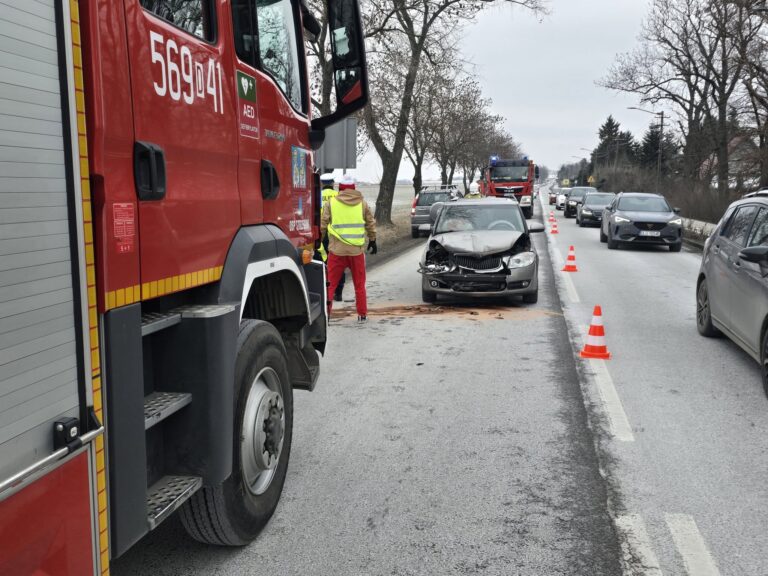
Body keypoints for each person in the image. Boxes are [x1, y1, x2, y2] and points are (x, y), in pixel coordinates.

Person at [321, 175, 377, 322]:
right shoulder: (362, 203)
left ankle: (326, 314)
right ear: (353, 188)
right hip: (356, 252)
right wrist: (372, 239)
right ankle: (362, 314)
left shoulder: (331, 203)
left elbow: (322, 224)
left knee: (330, 285)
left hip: (336, 252)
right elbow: (370, 222)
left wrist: (317, 242)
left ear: (340, 188)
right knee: (359, 284)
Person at [319, 173, 345, 302]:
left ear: (322, 184)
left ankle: (325, 292)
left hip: (320, 235)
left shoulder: (315, 196)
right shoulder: (339, 197)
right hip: (336, 235)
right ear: (333, 183)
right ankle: (338, 292)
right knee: (339, 263)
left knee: (322, 263)